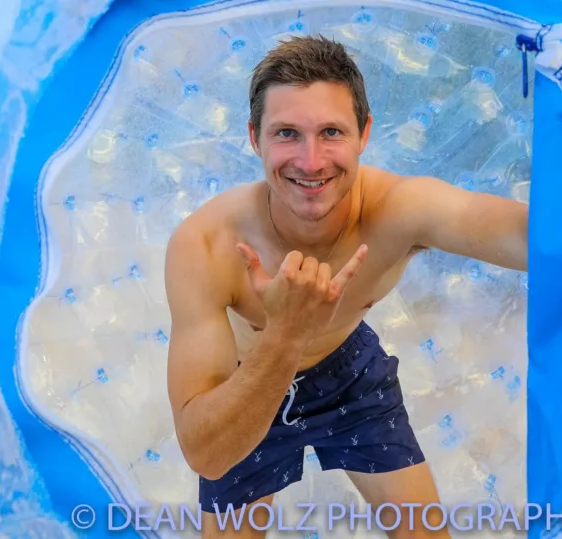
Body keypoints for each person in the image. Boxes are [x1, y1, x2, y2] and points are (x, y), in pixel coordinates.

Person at [164, 34, 528, 538]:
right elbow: (205, 454)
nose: (311, 162)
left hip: (348, 375)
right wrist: (286, 331)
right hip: (243, 386)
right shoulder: (205, 245)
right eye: (287, 133)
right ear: (255, 138)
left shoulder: (400, 210)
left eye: (331, 132)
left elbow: (533, 238)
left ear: (364, 133)